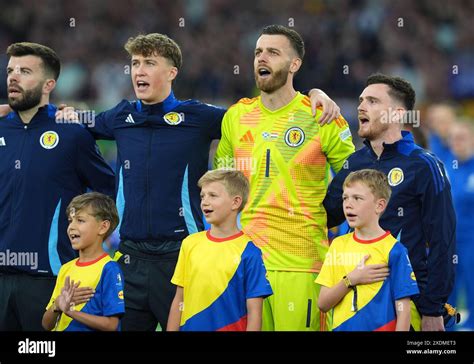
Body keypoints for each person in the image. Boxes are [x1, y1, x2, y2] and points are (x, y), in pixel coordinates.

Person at [46, 33, 342, 331]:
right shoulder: (120, 116)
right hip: (130, 256)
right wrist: (34, 112)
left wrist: (316, 94)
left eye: (149, 63)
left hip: (182, 255)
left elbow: (266, 112)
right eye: (135, 64)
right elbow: (81, 118)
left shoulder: (199, 117)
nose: (139, 71)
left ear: (172, 72)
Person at [214, 25, 355, 331]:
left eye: (273, 52)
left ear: (295, 65)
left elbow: (356, 180)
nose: (261, 58)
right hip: (248, 264)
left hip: (302, 263)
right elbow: (221, 186)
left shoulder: (321, 116)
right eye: (257, 52)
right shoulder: (236, 117)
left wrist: (336, 225)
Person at [324, 73, 456, 331]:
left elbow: (443, 240)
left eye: (373, 101)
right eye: (361, 100)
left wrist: (433, 309)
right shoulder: (355, 163)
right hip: (356, 299)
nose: (361, 106)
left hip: (408, 302)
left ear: (396, 114)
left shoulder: (424, 165)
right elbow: (326, 215)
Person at [0, 42, 115, 331]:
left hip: (49, 279)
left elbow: (108, 193)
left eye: (25, 71)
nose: (13, 77)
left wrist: (91, 248)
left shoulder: (71, 132)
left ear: (49, 83)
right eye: (10, 71)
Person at [167, 169, 272, 331]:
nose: (204, 202)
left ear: (235, 202)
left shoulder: (250, 252)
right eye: (202, 196)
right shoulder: (190, 243)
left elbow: (255, 313)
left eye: (213, 195)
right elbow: (178, 300)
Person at [317, 169, 419, 331]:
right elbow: (323, 303)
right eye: (345, 198)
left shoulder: (395, 250)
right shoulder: (338, 245)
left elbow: (403, 311)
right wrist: (351, 280)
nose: (348, 204)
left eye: (357, 198)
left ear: (379, 205)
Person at [42, 192, 124, 331]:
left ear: (103, 227)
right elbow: (46, 324)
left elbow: (111, 325)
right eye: (70, 220)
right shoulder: (66, 269)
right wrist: (57, 305)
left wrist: (71, 311)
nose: (71, 227)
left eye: (80, 220)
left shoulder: (109, 269)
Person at [446, 121, 474, 330]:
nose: (458, 143)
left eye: (462, 137)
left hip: (471, 238)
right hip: (448, 239)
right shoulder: (444, 165)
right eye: (454, 138)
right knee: (448, 286)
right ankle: (449, 326)